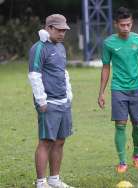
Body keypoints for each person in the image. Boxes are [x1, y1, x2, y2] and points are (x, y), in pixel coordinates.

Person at [97, 7, 138, 173]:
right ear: (116, 24)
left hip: (136, 88)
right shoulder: (108, 43)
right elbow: (106, 68)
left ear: (132, 23)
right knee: (120, 125)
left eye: (128, 24)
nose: (126, 28)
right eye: (122, 25)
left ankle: (136, 154)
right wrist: (101, 92)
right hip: (118, 88)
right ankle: (122, 161)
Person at [28, 14, 74, 188]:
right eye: (59, 30)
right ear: (49, 28)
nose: (62, 33)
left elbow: (63, 72)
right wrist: (41, 100)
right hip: (49, 103)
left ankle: (54, 179)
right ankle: (41, 182)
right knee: (46, 141)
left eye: (64, 30)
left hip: (64, 101)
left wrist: (69, 94)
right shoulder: (38, 48)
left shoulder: (61, 47)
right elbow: (34, 75)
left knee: (60, 140)